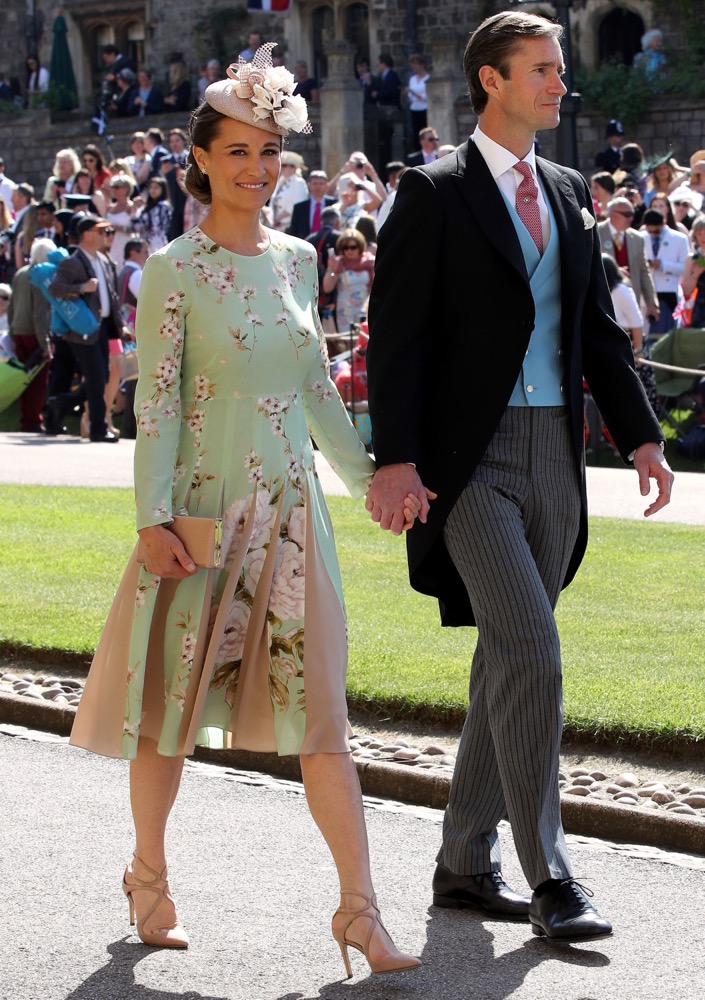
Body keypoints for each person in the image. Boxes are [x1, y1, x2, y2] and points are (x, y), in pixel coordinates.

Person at [69, 43, 421, 977]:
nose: (256, 170)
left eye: (270, 152)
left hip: (294, 518)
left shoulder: (302, 259)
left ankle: (360, 911)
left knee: (322, 721)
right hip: (200, 513)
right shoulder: (173, 269)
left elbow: (313, 390)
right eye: (237, 151)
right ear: (201, 160)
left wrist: (374, 480)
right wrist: (152, 518)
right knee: (170, 712)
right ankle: (148, 877)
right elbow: (153, 404)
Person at [365, 10, 672, 942]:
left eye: (559, 68)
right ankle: (552, 877)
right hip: (469, 462)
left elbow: (593, 330)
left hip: (558, 456)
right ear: (490, 80)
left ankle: (461, 865)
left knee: (506, 659)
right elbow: (399, 339)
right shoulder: (432, 189)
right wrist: (395, 458)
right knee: (533, 652)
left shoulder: (571, 187)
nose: (559, 83)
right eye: (541, 69)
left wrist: (643, 439)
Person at [48, 214, 126, 443]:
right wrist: (82, 287)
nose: (105, 236)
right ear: (87, 234)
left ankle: (59, 404)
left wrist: (120, 327)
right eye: (100, 231)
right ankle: (98, 428)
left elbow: (110, 298)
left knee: (100, 378)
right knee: (97, 378)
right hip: (82, 329)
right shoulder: (72, 261)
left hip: (101, 328)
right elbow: (56, 289)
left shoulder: (102, 260)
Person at [601, 253, 659, 413]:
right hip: (616, 344)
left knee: (638, 391)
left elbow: (636, 323)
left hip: (632, 344)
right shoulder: (604, 292)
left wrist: (638, 352)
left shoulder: (622, 291)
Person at [8, 237, 53, 431]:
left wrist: (11, 329)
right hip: (34, 333)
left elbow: (11, 306)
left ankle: (26, 418)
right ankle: (32, 420)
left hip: (18, 330)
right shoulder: (40, 277)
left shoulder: (20, 274)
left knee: (23, 379)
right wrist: (45, 344)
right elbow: (40, 313)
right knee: (37, 381)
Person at [599, 197, 659, 321]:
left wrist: (651, 302)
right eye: (627, 214)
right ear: (613, 214)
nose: (631, 218)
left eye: (632, 214)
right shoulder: (595, 232)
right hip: (604, 300)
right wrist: (614, 271)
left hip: (630, 300)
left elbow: (644, 272)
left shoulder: (637, 238)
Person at [640, 208, 690, 336]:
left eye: (656, 231)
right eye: (650, 231)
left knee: (667, 332)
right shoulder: (641, 237)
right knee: (646, 332)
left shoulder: (679, 238)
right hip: (647, 292)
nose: (653, 234)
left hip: (669, 293)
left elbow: (686, 267)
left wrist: (663, 265)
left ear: (663, 223)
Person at [322, 228, 375, 332]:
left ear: (360, 246)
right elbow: (327, 288)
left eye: (353, 247)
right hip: (344, 310)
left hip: (364, 309)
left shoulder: (369, 262)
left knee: (363, 339)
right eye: (345, 248)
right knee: (346, 341)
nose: (349, 251)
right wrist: (331, 269)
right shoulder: (338, 263)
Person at [286, 169, 336, 239]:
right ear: (309, 185)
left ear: (326, 185)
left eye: (321, 183)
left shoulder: (334, 204)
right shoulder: (299, 208)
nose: (318, 187)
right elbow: (293, 231)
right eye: (315, 183)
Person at [270, 150, 308, 231]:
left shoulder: (299, 182)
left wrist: (278, 218)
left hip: (291, 227)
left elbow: (297, 204)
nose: (282, 168)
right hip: (276, 226)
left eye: (284, 165)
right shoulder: (280, 182)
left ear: (293, 168)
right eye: (281, 165)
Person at [135, 176, 172, 254]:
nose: (153, 190)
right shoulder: (145, 207)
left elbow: (158, 226)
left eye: (156, 188)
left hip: (157, 241)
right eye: (151, 187)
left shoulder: (163, 206)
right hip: (144, 241)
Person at [681, 214, 705, 329]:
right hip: (700, 309)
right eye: (699, 233)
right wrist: (696, 274)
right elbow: (686, 291)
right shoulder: (692, 259)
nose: (703, 237)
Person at [405, 54, 429, 142]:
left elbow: (427, 97)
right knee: (416, 135)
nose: (413, 67)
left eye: (415, 64)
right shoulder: (412, 79)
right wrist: (411, 94)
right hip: (414, 109)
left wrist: (415, 94)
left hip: (424, 109)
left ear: (421, 65)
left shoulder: (427, 78)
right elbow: (410, 96)